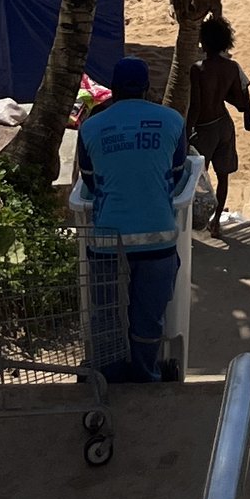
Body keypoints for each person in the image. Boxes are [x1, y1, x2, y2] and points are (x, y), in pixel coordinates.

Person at [75, 56, 189, 380]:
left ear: (112, 89)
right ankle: (145, 374)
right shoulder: (172, 121)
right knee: (149, 317)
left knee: (107, 314)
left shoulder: (91, 127)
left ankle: (110, 374)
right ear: (146, 88)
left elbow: (90, 181)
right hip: (158, 240)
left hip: (107, 242)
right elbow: (177, 175)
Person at [188, 15, 250, 232]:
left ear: (204, 41)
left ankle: (199, 221)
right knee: (223, 175)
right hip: (224, 125)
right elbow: (239, 99)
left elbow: (196, 107)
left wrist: (186, 131)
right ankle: (216, 221)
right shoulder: (232, 67)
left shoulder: (198, 69)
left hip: (204, 128)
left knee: (200, 179)